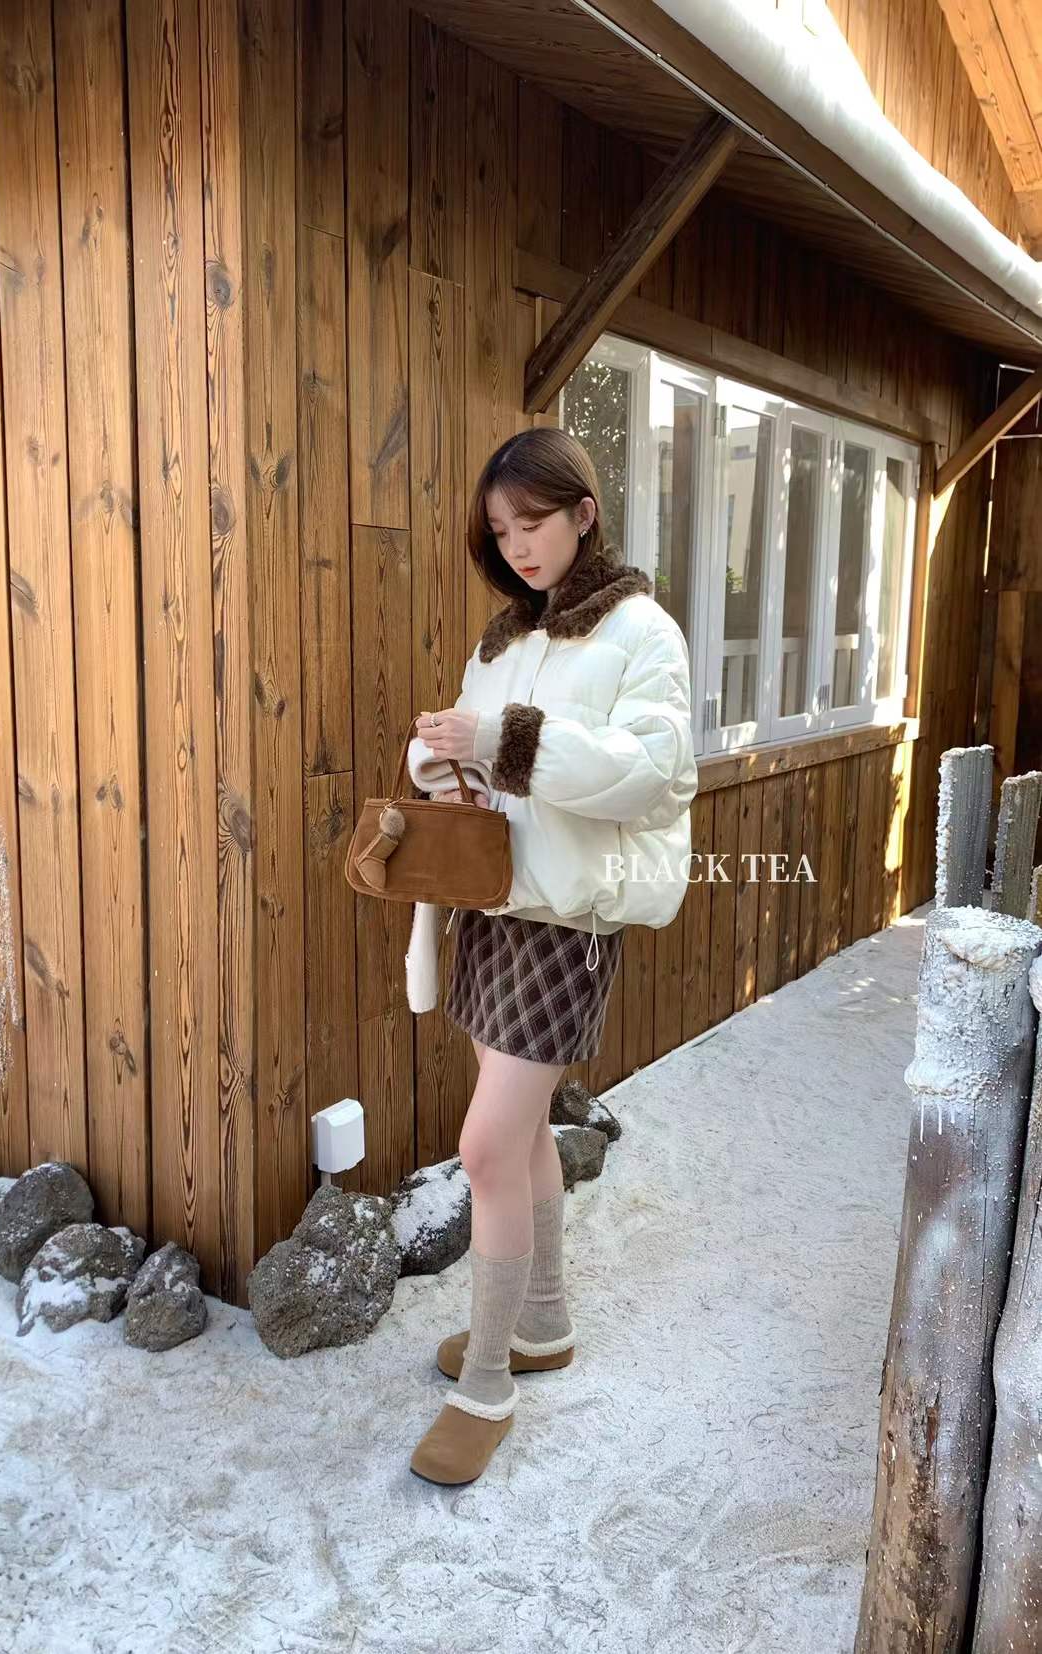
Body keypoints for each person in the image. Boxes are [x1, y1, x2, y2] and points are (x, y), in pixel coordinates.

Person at [403, 427, 698, 1485]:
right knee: (519, 1136)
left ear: (583, 512)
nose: (518, 544)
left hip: (568, 922)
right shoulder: (504, 638)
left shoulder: (641, 630)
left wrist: (502, 741)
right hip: (495, 905)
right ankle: (542, 1322)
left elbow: (652, 775)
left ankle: (486, 1386)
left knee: (485, 1150)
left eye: (533, 521)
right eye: (500, 530)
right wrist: (446, 759)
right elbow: (474, 757)